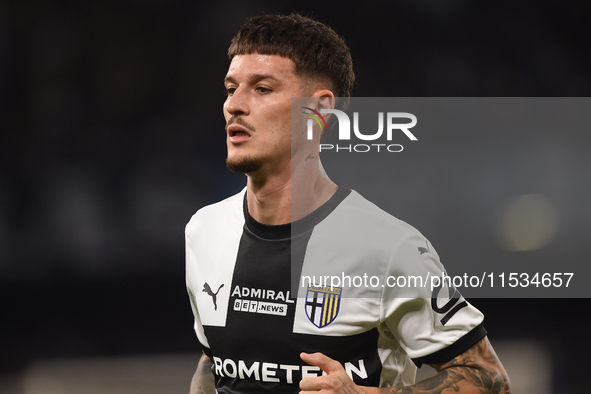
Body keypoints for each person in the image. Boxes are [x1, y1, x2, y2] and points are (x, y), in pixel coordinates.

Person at [185, 13, 511, 394]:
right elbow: (214, 360)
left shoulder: (389, 248)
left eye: (262, 89)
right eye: (230, 88)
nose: (234, 105)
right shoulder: (204, 230)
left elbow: (487, 380)